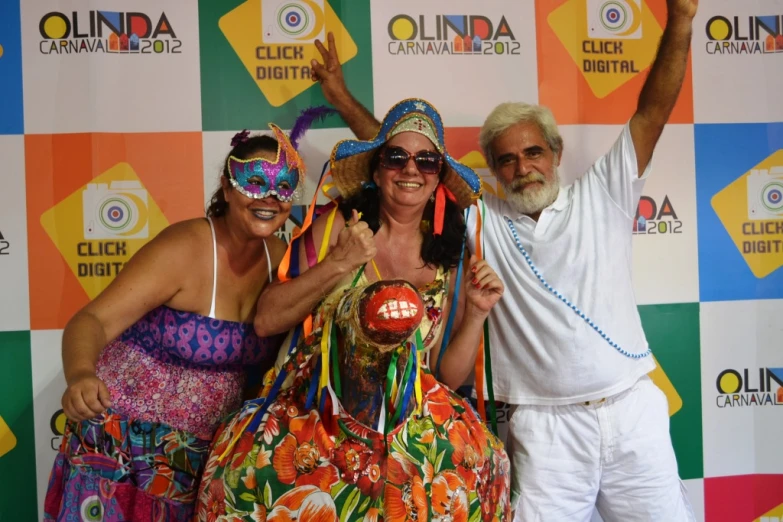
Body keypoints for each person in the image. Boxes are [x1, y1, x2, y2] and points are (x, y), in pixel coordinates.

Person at [308, 0, 699, 519]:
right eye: (507, 159)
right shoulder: (478, 217)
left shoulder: (604, 194)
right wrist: (341, 100)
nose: (523, 167)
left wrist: (681, 22)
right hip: (542, 430)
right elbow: (407, 158)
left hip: (630, 412)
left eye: (533, 152)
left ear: (556, 154)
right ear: (492, 170)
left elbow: (652, 112)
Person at [193, 98, 511, 521]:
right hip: (317, 418)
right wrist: (339, 262)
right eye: (396, 157)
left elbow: (444, 377)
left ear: (438, 178)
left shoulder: (448, 256)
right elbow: (267, 319)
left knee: (488, 465)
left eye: (427, 161)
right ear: (377, 172)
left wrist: (476, 313)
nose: (411, 170)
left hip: (408, 431)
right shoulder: (339, 226)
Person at [43, 122, 311, 521]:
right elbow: (92, 320)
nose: (269, 197)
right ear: (227, 184)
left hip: (200, 461)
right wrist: (81, 374)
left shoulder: (284, 258)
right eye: (254, 182)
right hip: (123, 448)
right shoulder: (184, 247)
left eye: (284, 187)